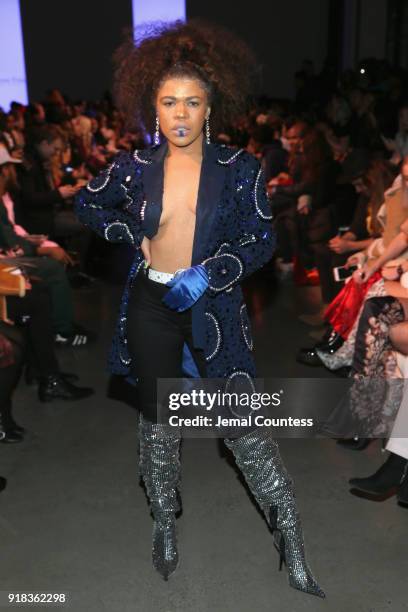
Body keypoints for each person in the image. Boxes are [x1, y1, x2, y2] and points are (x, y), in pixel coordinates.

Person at [74, 20, 324, 597]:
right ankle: (164, 523)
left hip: (213, 309)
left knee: (243, 425)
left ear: (210, 108)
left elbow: (261, 241)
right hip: (151, 306)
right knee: (161, 423)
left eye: (192, 102)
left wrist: (209, 272)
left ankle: (292, 542)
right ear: (153, 111)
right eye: (169, 102)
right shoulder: (134, 168)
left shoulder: (239, 170)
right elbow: (88, 204)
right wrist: (122, 229)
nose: (180, 113)